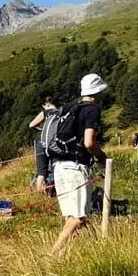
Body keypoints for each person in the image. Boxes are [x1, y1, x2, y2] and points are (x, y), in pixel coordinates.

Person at [50, 74, 108, 255]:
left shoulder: (69, 107)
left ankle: (64, 257)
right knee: (77, 218)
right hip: (76, 167)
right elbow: (89, 142)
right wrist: (102, 157)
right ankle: (51, 255)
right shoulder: (91, 109)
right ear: (98, 91)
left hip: (58, 165)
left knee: (72, 217)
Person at [28, 96, 59, 193]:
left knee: (41, 171)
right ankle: (56, 190)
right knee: (56, 167)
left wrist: (41, 128)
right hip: (55, 142)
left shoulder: (45, 112)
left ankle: (39, 192)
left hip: (41, 142)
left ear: (46, 103)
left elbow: (31, 124)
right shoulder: (61, 112)